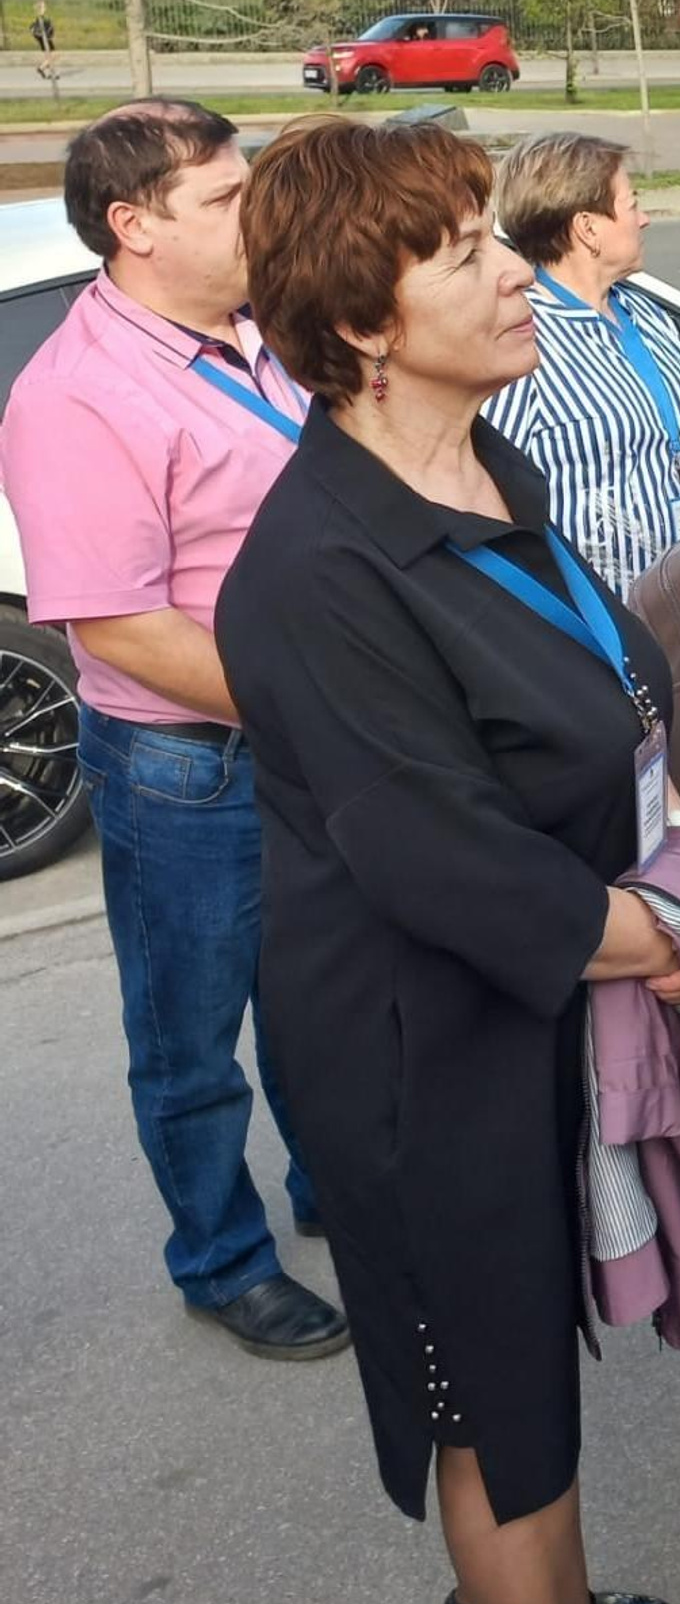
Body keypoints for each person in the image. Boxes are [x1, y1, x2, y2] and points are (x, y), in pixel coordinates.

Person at [215, 116, 680, 1604]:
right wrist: (677, 940)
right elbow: (444, 863)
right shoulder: (314, 571)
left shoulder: (489, 472)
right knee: (494, 1410)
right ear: (362, 326)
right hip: (425, 1054)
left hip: (536, 1009)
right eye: (466, 252)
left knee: (534, 1369)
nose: (515, 275)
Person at [0, 100, 345, 1363]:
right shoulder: (76, 395)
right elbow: (119, 628)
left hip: (302, 748)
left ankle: (334, 1192)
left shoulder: (263, 337)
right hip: (188, 769)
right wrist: (320, 706)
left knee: (318, 1003)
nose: (254, 214)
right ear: (134, 226)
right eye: (222, 199)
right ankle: (220, 1260)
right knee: (192, 1039)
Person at [485, 132, 680, 597]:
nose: (644, 220)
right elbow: (487, 501)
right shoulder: (521, 338)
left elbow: (670, 429)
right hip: (603, 627)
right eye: (632, 205)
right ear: (587, 228)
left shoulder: (647, 314)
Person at [30, 0, 55, 77]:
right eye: (43, 6)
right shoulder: (40, 16)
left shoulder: (40, 17)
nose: (45, 7)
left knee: (49, 57)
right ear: (40, 8)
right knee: (54, 55)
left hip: (44, 38)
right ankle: (41, 68)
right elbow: (41, 12)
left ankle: (51, 73)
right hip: (45, 39)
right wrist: (41, 5)